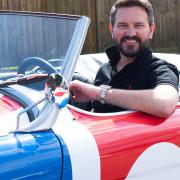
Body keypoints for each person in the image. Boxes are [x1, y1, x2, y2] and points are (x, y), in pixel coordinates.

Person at [69, 0, 179, 117]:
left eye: (138, 25)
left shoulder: (160, 70)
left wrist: (98, 93)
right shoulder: (104, 70)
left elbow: (164, 104)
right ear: (112, 30)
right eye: (123, 25)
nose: (131, 33)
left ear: (151, 30)